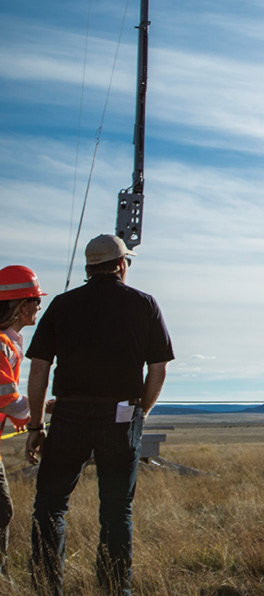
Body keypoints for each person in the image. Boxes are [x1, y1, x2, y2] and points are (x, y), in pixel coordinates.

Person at [24, 235, 174, 596]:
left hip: (68, 415)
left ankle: (46, 588)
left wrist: (35, 425)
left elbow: (40, 369)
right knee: (117, 510)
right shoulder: (144, 304)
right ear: (122, 265)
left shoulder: (62, 305)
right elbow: (158, 370)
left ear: (89, 268)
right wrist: (141, 414)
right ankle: (114, 589)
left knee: (50, 506)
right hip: (120, 416)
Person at [0, 265, 42, 578]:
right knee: (2, 510)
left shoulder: (9, 342)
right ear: (21, 305)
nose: (39, 307)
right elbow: (7, 398)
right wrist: (43, 410)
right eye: (36, 301)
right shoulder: (2, 344)